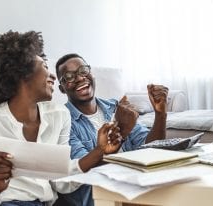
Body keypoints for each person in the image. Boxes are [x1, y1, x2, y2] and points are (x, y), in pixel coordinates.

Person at [0, 31, 123, 206]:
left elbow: (62, 182)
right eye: (45, 66)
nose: (53, 76)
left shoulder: (59, 115)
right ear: (22, 73)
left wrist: (99, 151)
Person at [55, 53, 168, 206]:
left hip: (135, 188)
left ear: (91, 74)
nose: (80, 78)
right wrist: (122, 130)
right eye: (69, 76)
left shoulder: (114, 106)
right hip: (102, 198)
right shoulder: (62, 120)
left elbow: (151, 147)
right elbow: (84, 169)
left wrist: (160, 114)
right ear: (62, 88)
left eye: (83, 71)